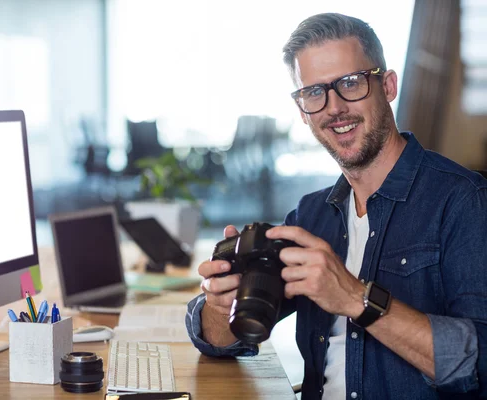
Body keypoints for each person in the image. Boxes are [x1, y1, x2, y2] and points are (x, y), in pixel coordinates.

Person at [185, 12, 487, 400]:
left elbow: (478, 363)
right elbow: (223, 341)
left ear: (388, 85)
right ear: (302, 110)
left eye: (350, 83)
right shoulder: (310, 217)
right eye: (314, 92)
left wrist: (354, 298)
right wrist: (220, 302)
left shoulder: (464, 201)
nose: (334, 108)